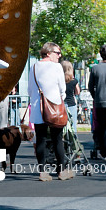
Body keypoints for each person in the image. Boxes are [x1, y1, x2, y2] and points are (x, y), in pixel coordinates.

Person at [28, 42, 72, 181]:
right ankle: (61, 171)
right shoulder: (57, 67)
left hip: (38, 107)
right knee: (57, 139)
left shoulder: (34, 66)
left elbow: (30, 89)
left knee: (40, 140)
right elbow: (62, 88)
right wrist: (59, 99)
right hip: (54, 107)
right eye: (57, 53)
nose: (59, 56)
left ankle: (42, 171)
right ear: (48, 52)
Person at [62, 60, 80, 133]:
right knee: (72, 125)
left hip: (61, 104)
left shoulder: (60, 80)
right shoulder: (74, 81)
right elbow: (77, 92)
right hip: (71, 104)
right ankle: (73, 142)